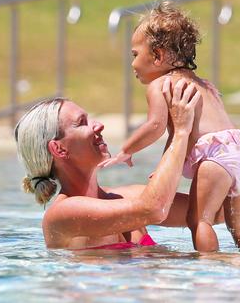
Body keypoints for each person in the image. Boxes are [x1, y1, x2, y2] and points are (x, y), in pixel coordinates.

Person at [100, 0, 240, 252]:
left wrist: (126, 149)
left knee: (199, 220)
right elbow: (178, 137)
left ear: (158, 56)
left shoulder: (161, 85)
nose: (132, 64)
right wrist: (164, 167)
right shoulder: (203, 84)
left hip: (216, 160)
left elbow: (155, 126)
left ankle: (207, 269)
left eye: (135, 55)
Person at [14, 79, 216, 250]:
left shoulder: (129, 197)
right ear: (59, 149)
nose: (98, 125)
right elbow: (154, 209)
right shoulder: (61, 216)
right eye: (82, 122)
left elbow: (216, 212)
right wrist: (180, 132)